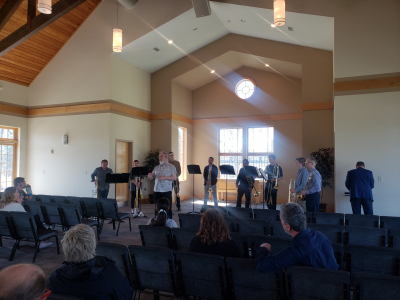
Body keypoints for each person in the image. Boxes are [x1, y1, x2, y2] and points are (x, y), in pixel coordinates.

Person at [47, 224, 134, 300]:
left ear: (65, 248)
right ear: (92, 246)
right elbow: (127, 295)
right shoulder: (109, 273)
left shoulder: (55, 278)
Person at [256, 202, 338, 272]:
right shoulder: (321, 236)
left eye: (281, 220)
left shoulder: (296, 250)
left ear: (288, 227)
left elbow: (262, 266)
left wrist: (263, 248)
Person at [148, 151, 176, 219]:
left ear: (166, 157)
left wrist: (164, 177)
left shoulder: (171, 167)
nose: (160, 158)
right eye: (159, 157)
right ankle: (157, 221)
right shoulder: (157, 167)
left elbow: (174, 177)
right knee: (157, 207)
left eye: (161, 156)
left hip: (166, 190)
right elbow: (152, 177)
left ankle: (168, 222)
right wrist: (149, 176)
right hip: (157, 190)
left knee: (167, 207)